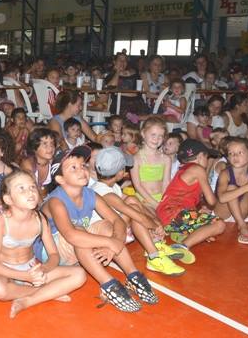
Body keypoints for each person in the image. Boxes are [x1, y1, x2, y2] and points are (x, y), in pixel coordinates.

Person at [36, 146, 157, 312]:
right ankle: (108, 284)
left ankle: (133, 275)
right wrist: (110, 242)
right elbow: (71, 235)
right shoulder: (56, 201)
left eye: (83, 166)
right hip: (52, 252)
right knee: (79, 231)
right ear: (61, 179)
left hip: (78, 244)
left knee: (106, 226)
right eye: (73, 168)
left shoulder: (90, 194)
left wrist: (114, 243)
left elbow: (118, 221)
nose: (82, 170)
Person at [0, 170, 87, 317]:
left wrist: (44, 269)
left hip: (32, 269)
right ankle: (47, 293)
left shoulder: (40, 219)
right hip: (6, 271)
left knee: (79, 274)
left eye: (32, 187)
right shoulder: (1, 221)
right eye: (21, 188)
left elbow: (53, 255)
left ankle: (29, 301)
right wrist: (25, 277)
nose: (30, 192)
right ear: (8, 199)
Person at [92, 147, 185, 276]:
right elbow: (135, 214)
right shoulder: (103, 192)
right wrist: (155, 225)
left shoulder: (111, 186)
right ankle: (154, 256)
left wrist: (154, 223)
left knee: (132, 199)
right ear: (120, 172)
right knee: (134, 212)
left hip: (115, 228)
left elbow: (133, 202)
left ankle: (154, 242)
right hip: (105, 237)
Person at [156, 140, 226, 255]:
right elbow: (212, 201)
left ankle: (180, 234)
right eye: (206, 157)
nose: (208, 161)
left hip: (167, 214)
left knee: (207, 229)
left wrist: (199, 211)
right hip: (174, 213)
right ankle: (181, 246)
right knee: (219, 225)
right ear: (199, 157)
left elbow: (185, 199)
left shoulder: (184, 169)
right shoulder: (198, 170)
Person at [215, 138, 248, 244]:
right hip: (223, 214)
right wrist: (246, 187)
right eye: (231, 153)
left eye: (240, 152)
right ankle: (242, 226)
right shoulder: (225, 174)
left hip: (242, 213)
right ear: (228, 158)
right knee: (231, 187)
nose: (235, 156)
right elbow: (222, 198)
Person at [130, 117, 171, 211]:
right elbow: (138, 186)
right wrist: (155, 204)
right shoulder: (136, 159)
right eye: (153, 135)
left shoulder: (166, 159)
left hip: (161, 199)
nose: (156, 139)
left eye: (160, 136)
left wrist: (164, 201)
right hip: (143, 199)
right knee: (154, 220)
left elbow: (166, 183)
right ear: (143, 133)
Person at [20, 128, 58, 193]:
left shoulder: (54, 163)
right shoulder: (28, 164)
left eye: (52, 143)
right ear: (34, 147)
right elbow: (33, 191)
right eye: (45, 144)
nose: (50, 147)